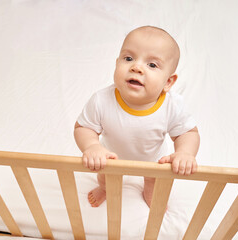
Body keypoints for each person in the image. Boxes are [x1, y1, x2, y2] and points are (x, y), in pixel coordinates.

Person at [74, 26, 200, 208]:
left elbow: (187, 133)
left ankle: (149, 191)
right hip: (111, 158)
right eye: (128, 58)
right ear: (117, 63)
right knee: (105, 177)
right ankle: (105, 189)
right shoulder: (101, 100)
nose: (136, 67)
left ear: (168, 82)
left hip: (153, 161)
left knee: (154, 180)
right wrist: (92, 146)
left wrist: (185, 153)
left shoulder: (172, 105)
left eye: (152, 65)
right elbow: (83, 127)